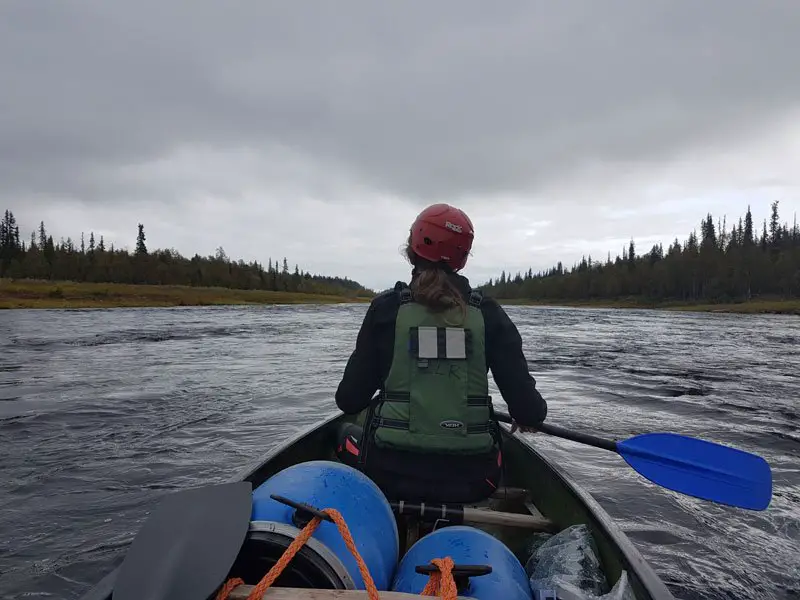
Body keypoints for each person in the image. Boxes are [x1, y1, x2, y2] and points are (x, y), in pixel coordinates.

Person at [334, 203, 547, 504]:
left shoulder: (385, 311)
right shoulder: (488, 315)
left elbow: (349, 400)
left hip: (388, 473)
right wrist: (525, 414)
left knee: (345, 432)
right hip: (474, 479)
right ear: (462, 258)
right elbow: (530, 412)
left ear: (413, 249)